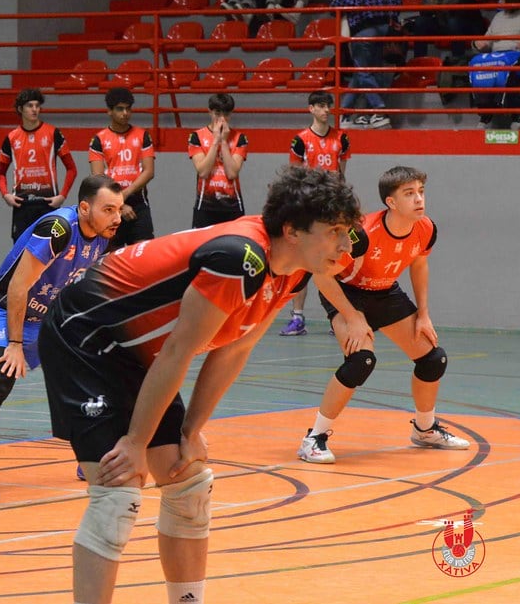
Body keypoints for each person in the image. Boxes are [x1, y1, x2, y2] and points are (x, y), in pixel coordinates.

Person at [38, 166, 362, 604]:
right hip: (84, 334)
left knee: (188, 483)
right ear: (291, 230)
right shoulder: (239, 259)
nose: (346, 246)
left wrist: (190, 431)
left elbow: (234, 349)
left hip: (138, 350)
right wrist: (135, 442)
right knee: (118, 493)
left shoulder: (293, 269)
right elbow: (178, 350)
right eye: (335, 231)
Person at [0, 175, 124, 505]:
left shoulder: (102, 235)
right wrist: (15, 345)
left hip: (47, 319)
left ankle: (89, 459)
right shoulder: (57, 230)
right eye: (108, 210)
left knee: (93, 374)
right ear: (84, 208)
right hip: (2, 310)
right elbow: (18, 287)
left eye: (119, 209)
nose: (117, 217)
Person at [298, 166, 470, 465]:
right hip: (347, 293)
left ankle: (425, 430)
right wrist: (353, 317)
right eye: (409, 193)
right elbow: (322, 276)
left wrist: (424, 314)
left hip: (385, 291)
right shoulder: (361, 234)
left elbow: (419, 265)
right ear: (391, 202)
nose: (419, 199)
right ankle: (314, 437)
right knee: (361, 361)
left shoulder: (426, 229)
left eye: (421, 192)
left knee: (433, 359)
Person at [279, 91, 350, 337]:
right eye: (320, 106)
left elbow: (341, 176)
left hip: (332, 211)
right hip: (308, 211)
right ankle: (297, 318)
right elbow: (294, 178)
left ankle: (337, 317)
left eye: (328, 105)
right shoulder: (300, 140)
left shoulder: (342, 138)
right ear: (311, 109)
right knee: (302, 265)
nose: (326, 110)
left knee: (333, 263)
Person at [333, 0, 402, 130]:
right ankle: (345, 113)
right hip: (384, 27)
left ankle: (379, 109)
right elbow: (397, 0)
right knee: (363, 72)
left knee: (364, 71)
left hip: (363, 30)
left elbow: (337, 6)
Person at [0, 88, 78, 243]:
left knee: (50, 249)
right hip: (22, 204)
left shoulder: (53, 133)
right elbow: (0, 173)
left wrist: (62, 196)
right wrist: (5, 194)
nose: (35, 109)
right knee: (21, 251)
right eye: (30, 106)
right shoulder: (12, 138)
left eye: (37, 105)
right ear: (20, 109)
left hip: (48, 203)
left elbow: (72, 168)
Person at [87, 87, 155, 249]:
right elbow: (98, 179)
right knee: (111, 256)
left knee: (144, 253)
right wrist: (120, 204)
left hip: (138, 202)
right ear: (109, 111)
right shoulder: (98, 140)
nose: (125, 113)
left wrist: (125, 194)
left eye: (128, 109)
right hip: (109, 206)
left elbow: (149, 171)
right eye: (120, 109)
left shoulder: (143, 135)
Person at [470, 0, 520, 129]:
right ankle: (486, 113)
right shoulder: (498, 17)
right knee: (476, 63)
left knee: (511, 70)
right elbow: (487, 40)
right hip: (497, 56)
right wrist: (478, 44)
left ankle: (517, 113)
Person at [187, 93, 248, 229]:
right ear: (209, 112)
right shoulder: (196, 136)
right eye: (217, 113)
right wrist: (216, 140)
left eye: (226, 114)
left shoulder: (240, 138)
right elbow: (203, 172)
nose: (221, 119)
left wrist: (224, 141)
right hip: (205, 205)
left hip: (232, 205)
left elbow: (232, 173)